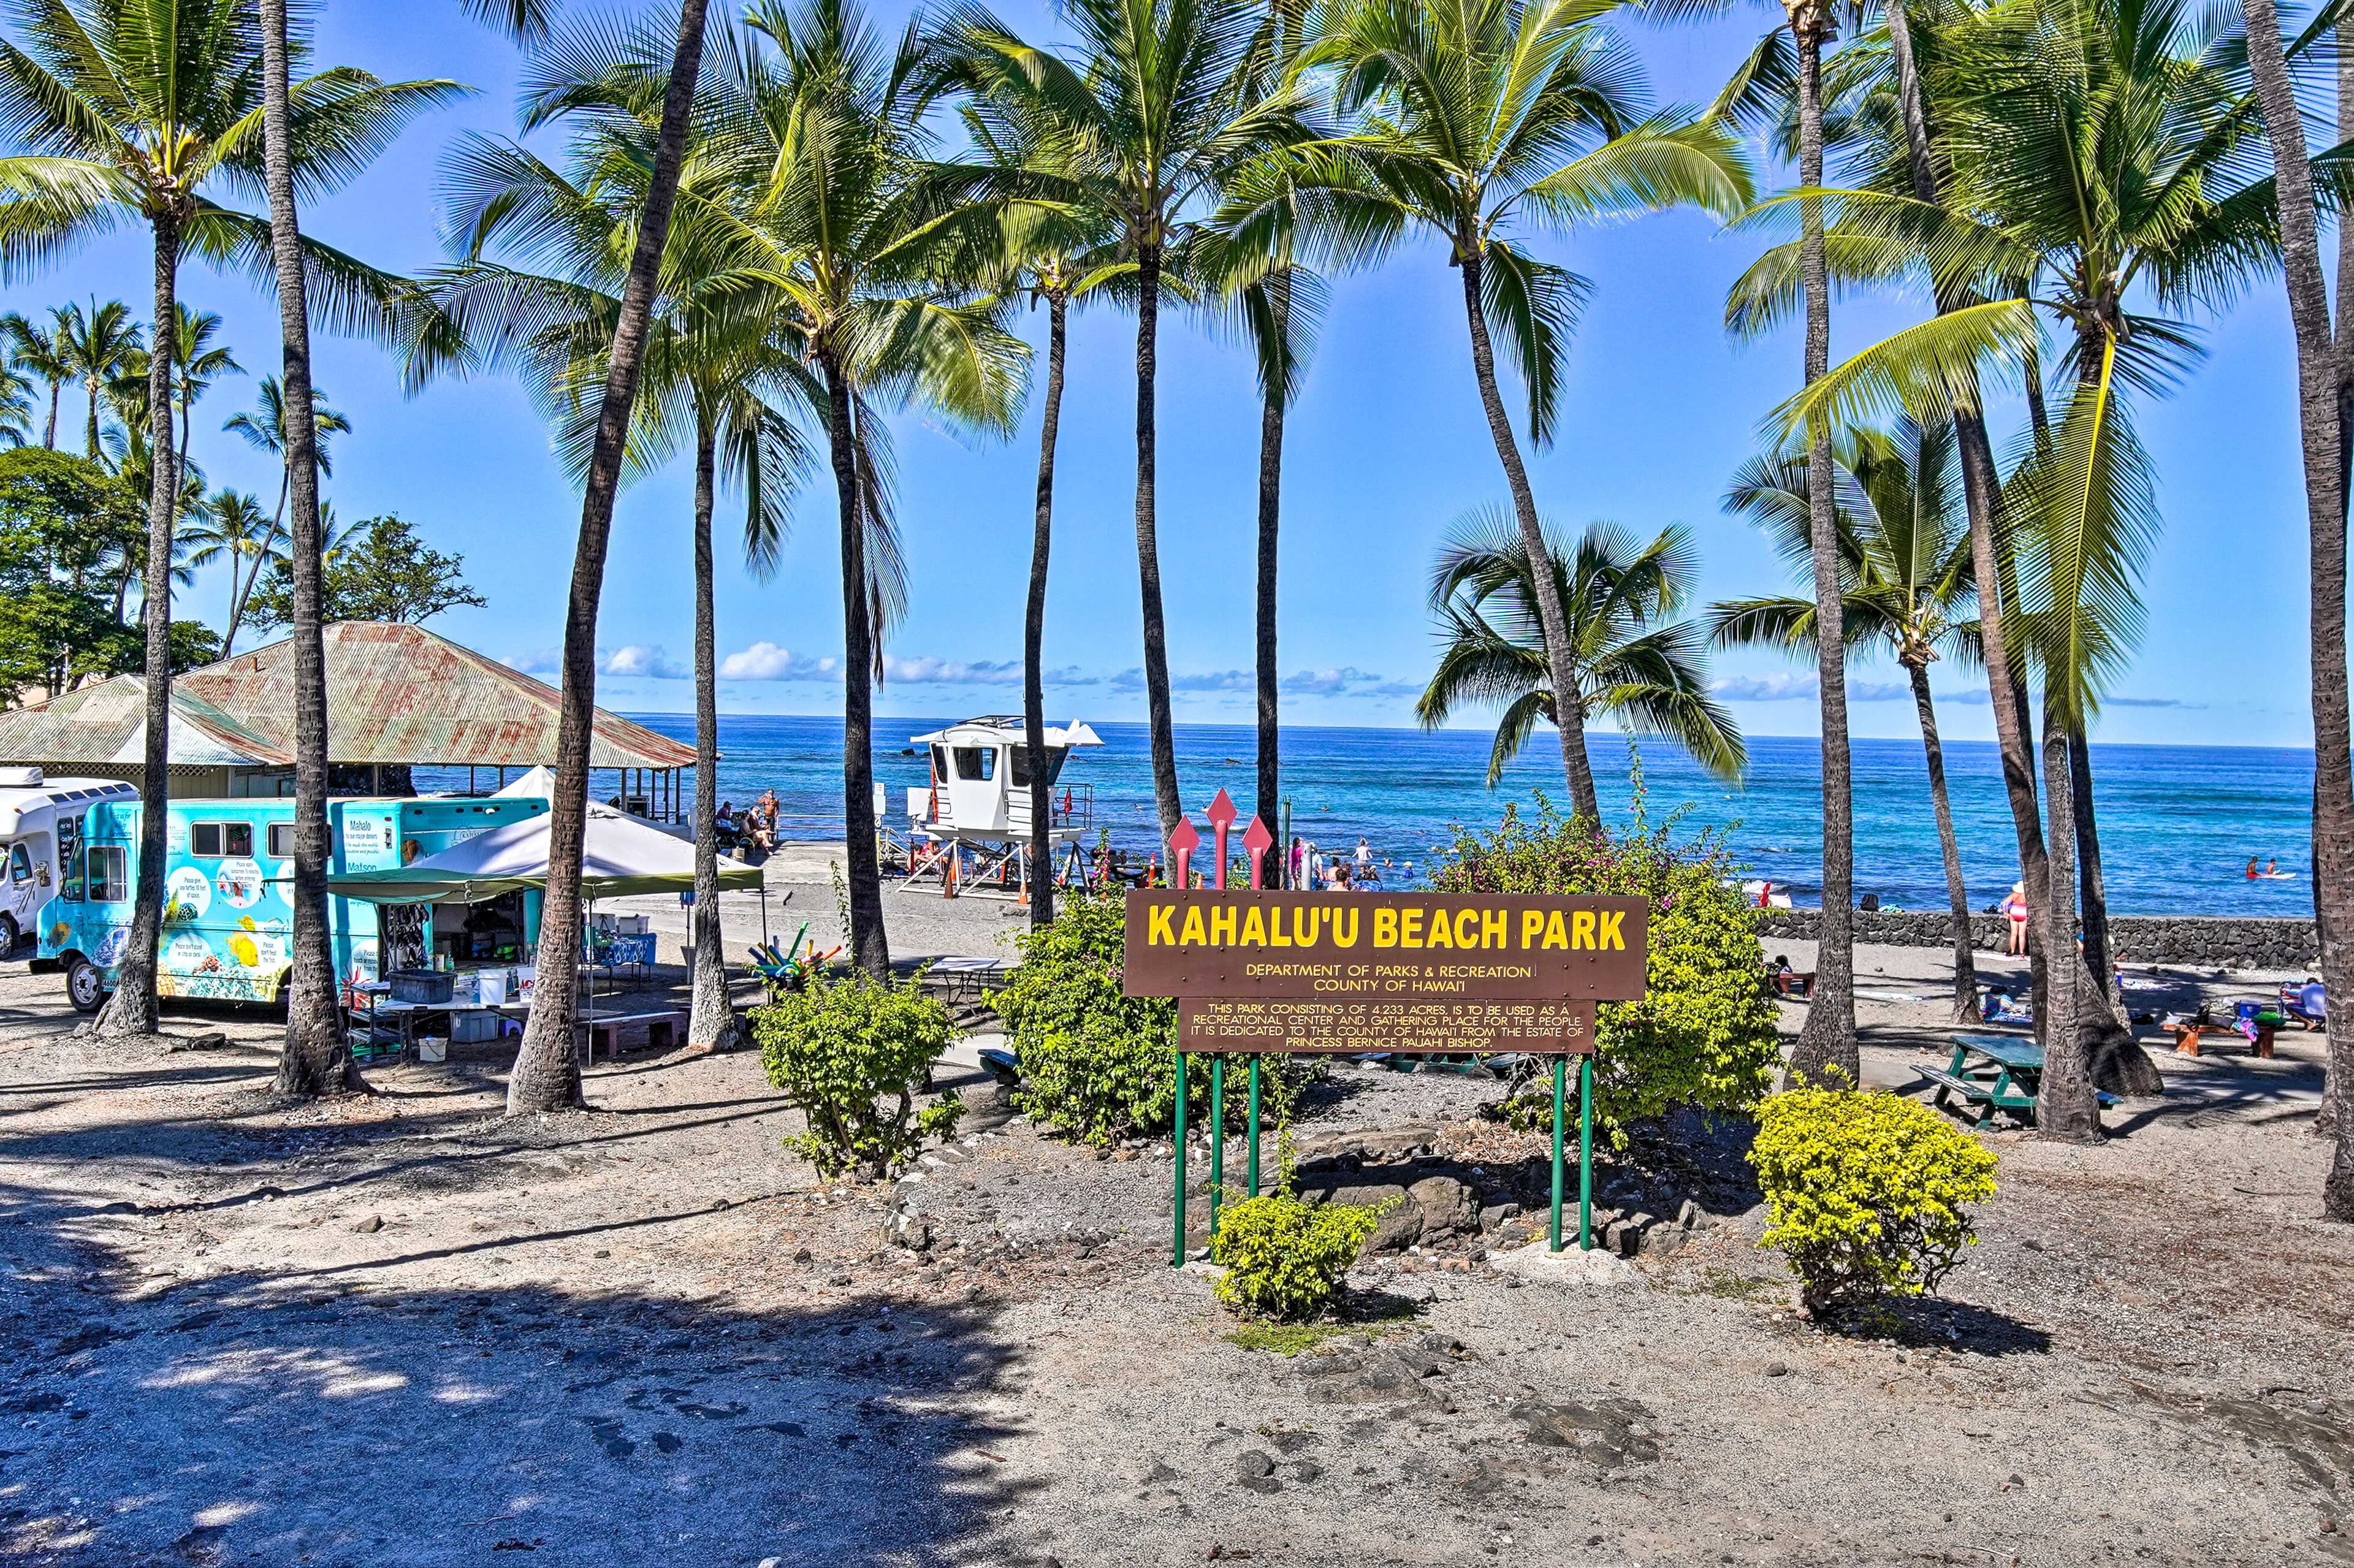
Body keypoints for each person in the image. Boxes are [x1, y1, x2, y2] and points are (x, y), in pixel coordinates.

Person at [2004, 880, 2030, 955]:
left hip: (2014, 911)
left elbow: (2005, 903)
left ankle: (2012, 951)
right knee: (2022, 935)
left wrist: (2005, 913)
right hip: (2023, 912)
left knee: (2014, 934)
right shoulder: (2026, 895)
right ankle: (2022, 952)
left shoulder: (2014, 895)